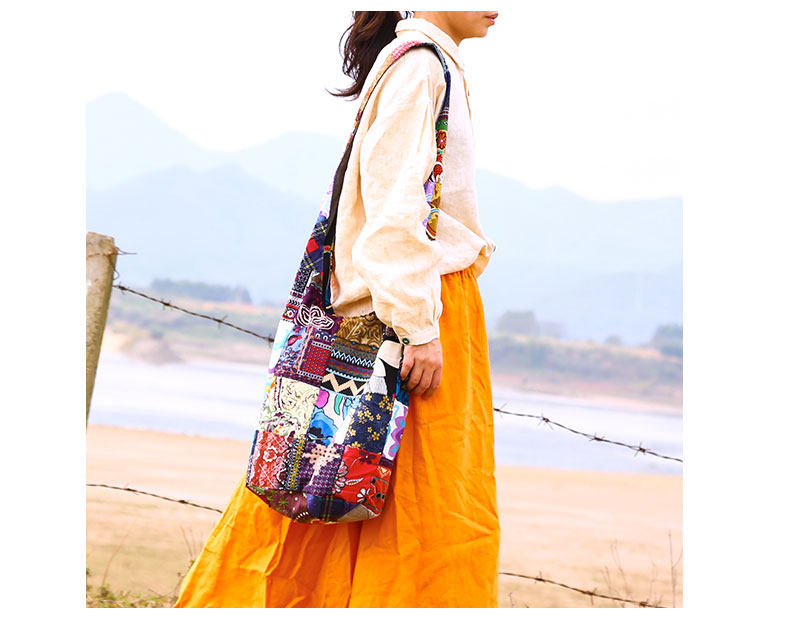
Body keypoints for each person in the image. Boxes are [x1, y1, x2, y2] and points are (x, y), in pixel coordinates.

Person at [174, 10, 500, 608]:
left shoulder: (426, 65)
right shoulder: (420, 69)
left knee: (333, 482)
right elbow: (394, 213)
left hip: (410, 304)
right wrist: (418, 326)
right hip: (413, 311)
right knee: (421, 510)